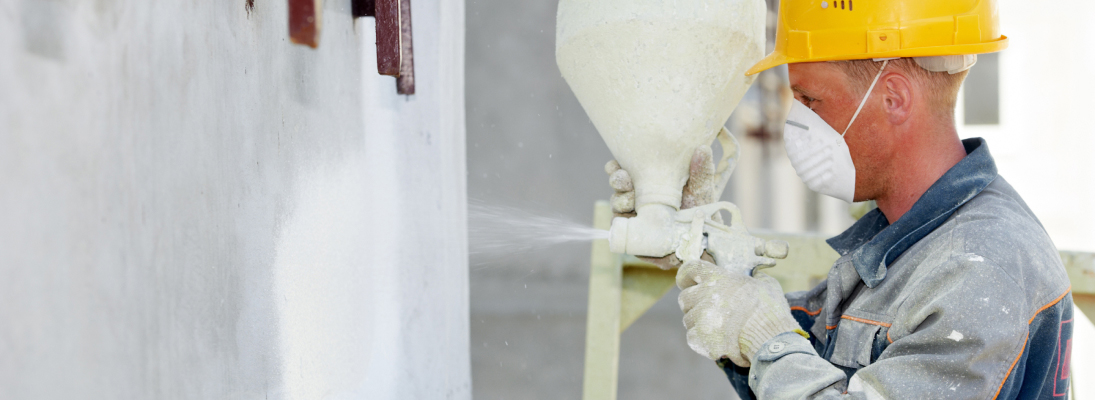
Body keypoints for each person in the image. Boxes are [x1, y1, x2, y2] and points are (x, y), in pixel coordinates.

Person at [606, 0, 1073, 398]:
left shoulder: (980, 270)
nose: (797, 123)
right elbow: (813, 356)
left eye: (812, 100)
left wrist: (766, 340)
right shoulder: (910, 242)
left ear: (892, 97)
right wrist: (708, 255)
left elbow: (781, 347)